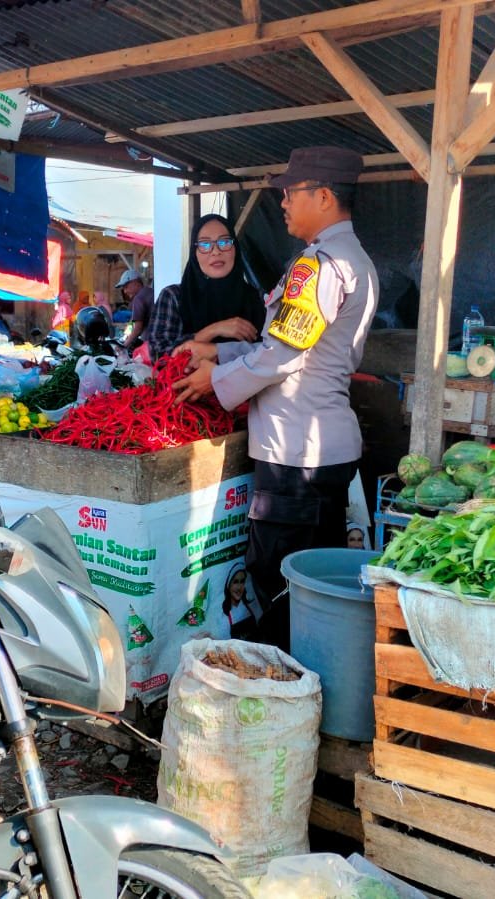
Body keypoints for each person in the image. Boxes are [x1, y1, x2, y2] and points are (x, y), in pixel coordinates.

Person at [173, 147, 378, 649]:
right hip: (321, 448)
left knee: (279, 584)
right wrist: (223, 357)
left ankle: (278, 692)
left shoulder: (321, 265)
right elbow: (290, 347)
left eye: (292, 192)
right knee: (315, 585)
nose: (283, 202)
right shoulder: (354, 259)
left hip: (296, 455)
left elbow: (282, 358)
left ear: (324, 197)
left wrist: (213, 383)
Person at [145, 214, 266, 361]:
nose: (215, 251)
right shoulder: (174, 297)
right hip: (186, 384)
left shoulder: (257, 299)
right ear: (194, 253)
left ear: (236, 249)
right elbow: (158, 357)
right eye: (205, 245)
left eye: (224, 242)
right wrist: (214, 330)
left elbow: (272, 355)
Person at [116, 269, 155, 350]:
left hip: (150, 344)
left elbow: (137, 328)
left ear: (136, 282)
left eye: (126, 287)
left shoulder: (139, 298)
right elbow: (133, 322)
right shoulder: (150, 292)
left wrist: (123, 346)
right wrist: (124, 337)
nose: (125, 291)